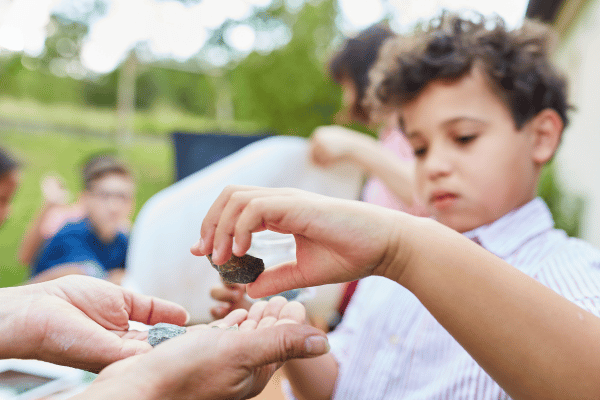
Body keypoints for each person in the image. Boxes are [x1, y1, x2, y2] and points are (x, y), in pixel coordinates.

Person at [192, 12, 600, 400]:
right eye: (419, 148)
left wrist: (403, 250)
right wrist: (288, 341)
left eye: (463, 137)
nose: (435, 165)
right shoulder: (383, 275)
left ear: (542, 136)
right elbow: (342, 384)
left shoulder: (568, 270)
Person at [210, 24, 425, 325]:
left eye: (347, 85)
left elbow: (424, 197)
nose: (346, 100)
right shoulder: (388, 139)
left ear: (369, 78)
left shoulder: (415, 134)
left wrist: (353, 146)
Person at [29, 154, 135, 284]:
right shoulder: (69, 235)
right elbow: (82, 277)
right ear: (85, 199)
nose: (114, 206)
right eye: (104, 196)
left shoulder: (124, 241)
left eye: (122, 197)